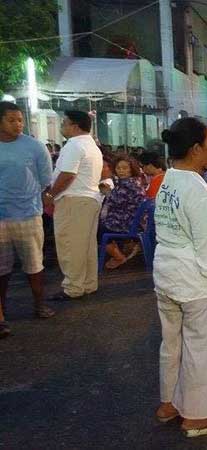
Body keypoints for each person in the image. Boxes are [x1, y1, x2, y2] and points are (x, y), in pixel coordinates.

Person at [153, 117, 207, 438]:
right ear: (196, 149)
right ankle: (198, 419)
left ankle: (169, 404)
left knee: (172, 344)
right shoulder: (196, 189)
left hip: (167, 277)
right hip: (194, 283)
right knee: (201, 348)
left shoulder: (167, 180)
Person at [0, 102, 56, 338]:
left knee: (34, 264)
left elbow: (45, 180)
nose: (18, 124)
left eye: (20, 119)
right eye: (12, 120)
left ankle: (39, 303)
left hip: (29, 214)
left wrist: (46, 201)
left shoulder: (34, 147)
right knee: (1, 269)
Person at [46, 110, 103, 301]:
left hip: (74, 200)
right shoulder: (91, 145)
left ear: (75, 126)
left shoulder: (74, 144)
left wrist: (50, 194)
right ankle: (87, 283)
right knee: (86, 245)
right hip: (89, 198)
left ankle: (73, 287)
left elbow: (68, 174)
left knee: (70, 244)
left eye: (64, 123)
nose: (62, 126)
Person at [98, 156, 146, 270]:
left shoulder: (128, 184)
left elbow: (117, 201)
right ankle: (120, 251)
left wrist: (107, 192)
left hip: (128, 222)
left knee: (98, 231)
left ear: (131, 169)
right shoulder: (132, 182)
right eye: (118, 168)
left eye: (125, 168)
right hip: (131, 220)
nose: (121, 171)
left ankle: (119, 257)